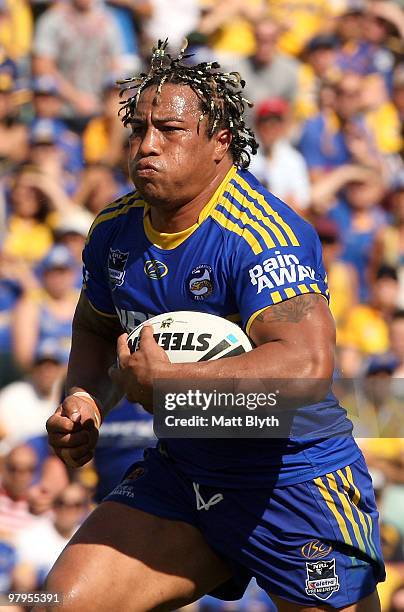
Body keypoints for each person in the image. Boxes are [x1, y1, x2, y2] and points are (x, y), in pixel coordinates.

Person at [46, 40, 384, 611]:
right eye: (139, 128)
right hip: (188, 475)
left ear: (220, 144)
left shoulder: (261, 233)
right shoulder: (113, 230)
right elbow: (95, 325)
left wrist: (173, 383)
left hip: (294, 481)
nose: (147, 145)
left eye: (170, 130)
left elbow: (307, 366)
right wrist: (84, 397)